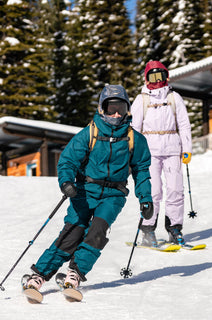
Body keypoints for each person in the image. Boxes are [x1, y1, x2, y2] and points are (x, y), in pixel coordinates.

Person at [23, 84, 153, 291]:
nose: (116, 113)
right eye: (111, 108)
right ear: (102, 109)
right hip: (84, 190)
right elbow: (67, 161)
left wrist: (146, 198)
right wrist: (66, 182)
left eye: (121, 107)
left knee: (98, 231)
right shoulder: (89, 133)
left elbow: (142, 170)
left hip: (114, 194)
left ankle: (75, 272)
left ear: (127, 109)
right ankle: (40, 274)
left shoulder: (135, 139)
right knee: (73, 232)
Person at [131, 60, 192, 247]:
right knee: (153, 191)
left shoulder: (175, 98)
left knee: (175, 189)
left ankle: (175, 229)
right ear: (146, 78)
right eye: (153, 77)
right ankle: (148, 231)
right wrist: (134, 151)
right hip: (150, 151)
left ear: (167, 76)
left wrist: (187, 148)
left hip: (173, 148)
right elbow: (134, 127)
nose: (157, 81)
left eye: (161, 76)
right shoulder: (142, 99)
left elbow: (183, 124)